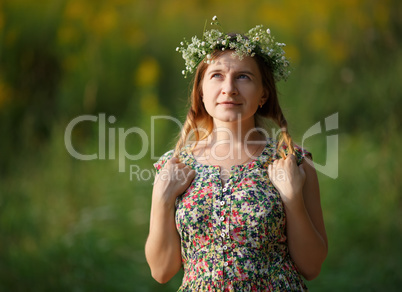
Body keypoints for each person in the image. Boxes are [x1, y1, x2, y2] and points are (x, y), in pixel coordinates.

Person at [145, 16, 328, 291]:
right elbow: (161, 271)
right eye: (217, 75)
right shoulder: (175, 168)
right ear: (202, 93)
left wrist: (292, 199)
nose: (229, 88)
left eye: (243, 76)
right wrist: (162, 199)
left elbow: (311, 267)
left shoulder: (292, 162)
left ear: (263, 94)